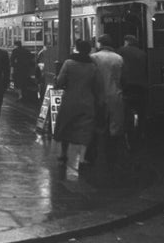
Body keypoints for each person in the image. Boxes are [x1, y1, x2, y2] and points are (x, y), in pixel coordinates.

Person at [52, 40, 103, 176]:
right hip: (87, 101)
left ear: (76, 48)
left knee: (66, 126)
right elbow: (97, 85)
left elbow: (60, 81)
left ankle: (63, 154)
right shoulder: (93, 66)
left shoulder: (69, 63)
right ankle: (82, 158)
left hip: (70, 99)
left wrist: (57, 82)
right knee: (85, 129)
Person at [91, 33, 125, 168]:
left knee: (99, 123)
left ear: (100, 43)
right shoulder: (119, 58)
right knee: (115, 125)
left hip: (98, 94)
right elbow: (123, 78)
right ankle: (113, 154)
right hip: (115, 93)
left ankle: (97, 151)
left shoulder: (94, 57)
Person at [118, 34, 148, 146]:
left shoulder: (121, 51)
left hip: (127, 86)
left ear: (127, 42)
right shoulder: (142, 53)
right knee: (141, 111)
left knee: (126, 112)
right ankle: (141, 134)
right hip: (141, 86)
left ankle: (128, 136)